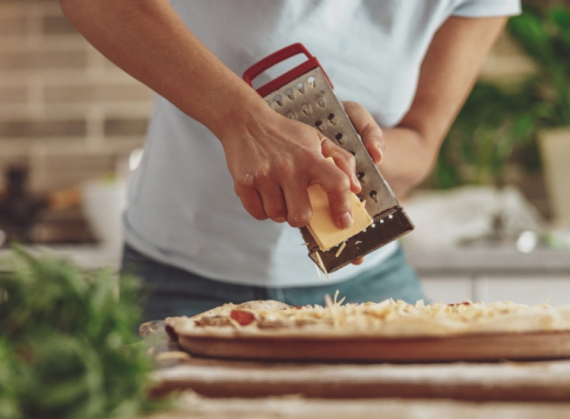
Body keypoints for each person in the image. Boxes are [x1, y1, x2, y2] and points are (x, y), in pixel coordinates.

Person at [60, 0, 520, 321]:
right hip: (180, 275)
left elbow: (420, 144)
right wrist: (244, 121)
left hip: (366, 285)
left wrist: (354, 153)